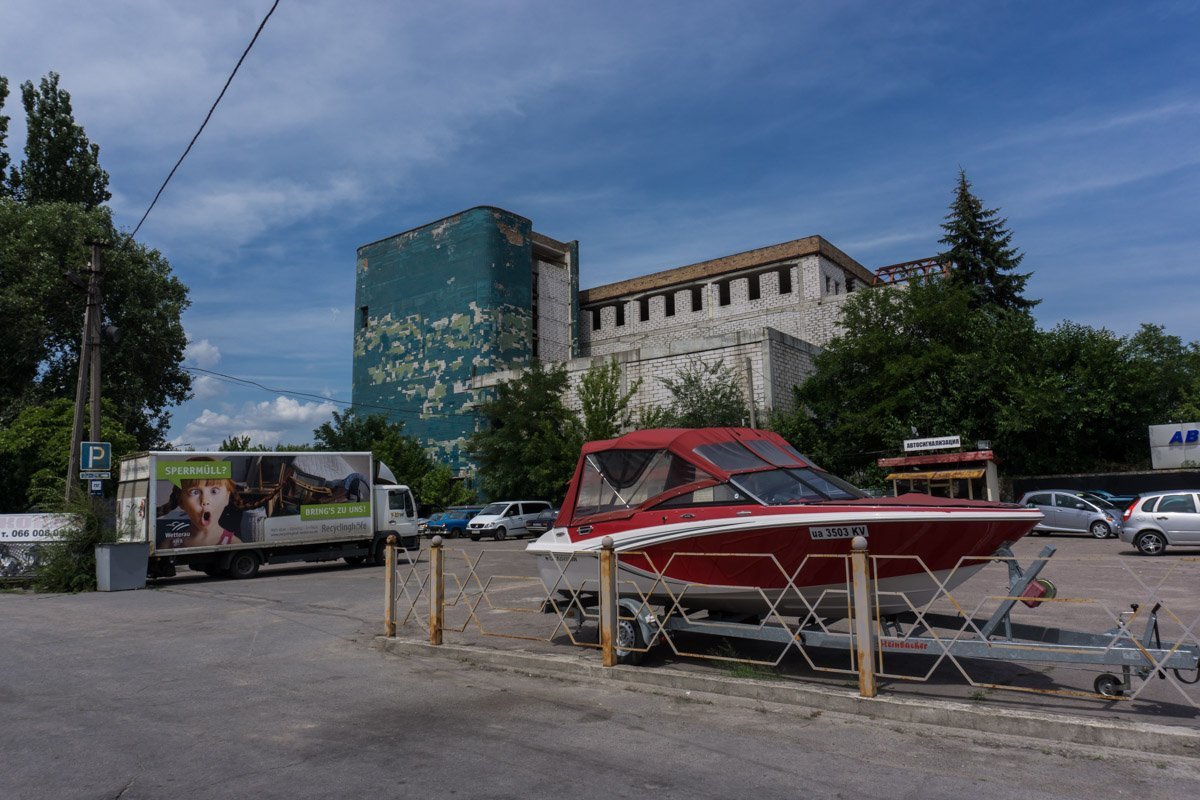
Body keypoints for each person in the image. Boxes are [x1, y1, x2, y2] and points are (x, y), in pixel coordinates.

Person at [159, 458, 243, 549]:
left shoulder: (235, 543)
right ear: (181, 502)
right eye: (194, 492)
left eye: (214, 491)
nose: (205, 501)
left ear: (227, 497)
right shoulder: (169, 545)